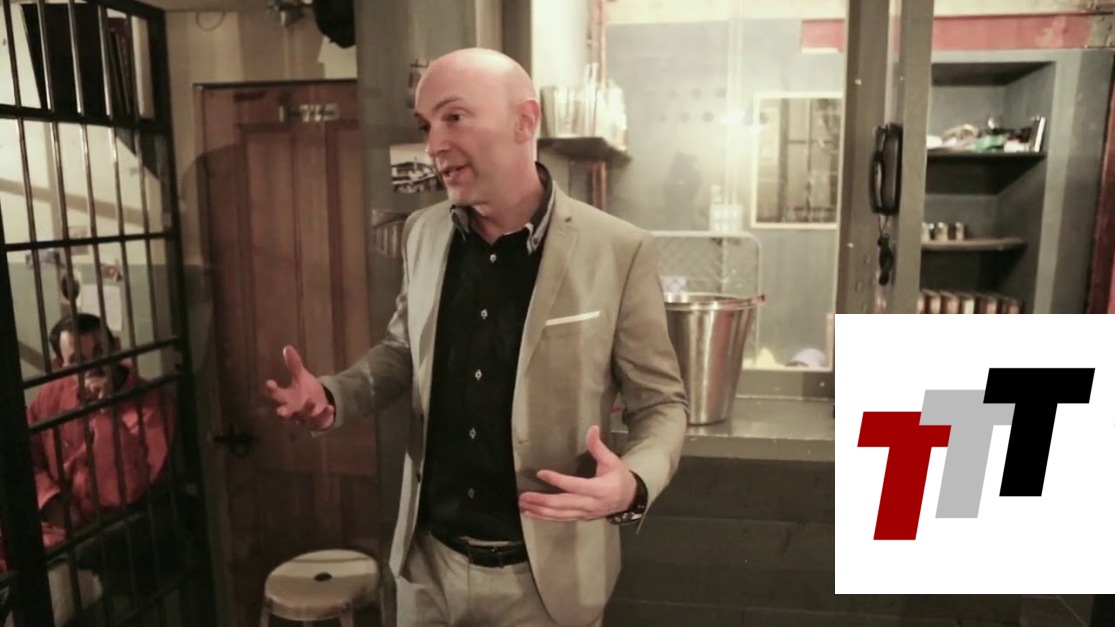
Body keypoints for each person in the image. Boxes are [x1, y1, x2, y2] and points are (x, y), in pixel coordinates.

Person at [266, 47, 688, 627]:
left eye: (454, 117)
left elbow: (661, 404)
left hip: (547, 584)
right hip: (428, 568)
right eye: (426, 125)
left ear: (524, 121)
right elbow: (403, 351)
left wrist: (634, 483)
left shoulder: (619, 249)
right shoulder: (423, 233)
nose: (434, 144)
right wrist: (335, 395)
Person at [0, 313, 177, 573]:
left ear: (116, 348)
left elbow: (124, 492)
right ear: (61, 365)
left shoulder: (152, 405)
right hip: (50, 518)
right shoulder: (53, 393)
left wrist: (105, 412)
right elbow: (22, 454)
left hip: (109, 528)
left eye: (99, 351)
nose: (93, 365)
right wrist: (50, 502)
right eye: (77, 359)